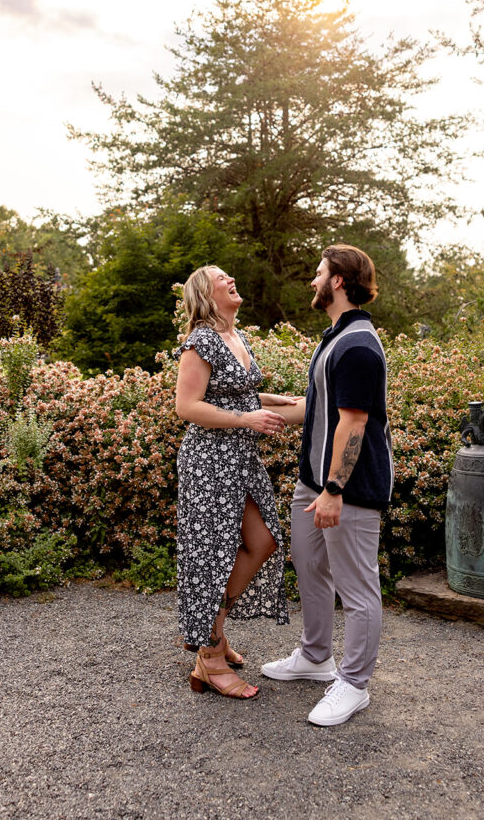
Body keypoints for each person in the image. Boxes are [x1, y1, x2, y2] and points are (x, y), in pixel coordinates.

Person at [261, 244, 394, 726]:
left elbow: (354, 423)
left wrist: (334, 490)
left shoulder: (357, 346)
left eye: (319, 273)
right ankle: (316, 657)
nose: (313, 281)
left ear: (338, 280)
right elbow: (313, 407)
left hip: (348, 489)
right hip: (313, 483)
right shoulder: (336, 338)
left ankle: (354, 684)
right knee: (311, 564)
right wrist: (244, 403)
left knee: (357, 587)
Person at [174, 265, 293, 699]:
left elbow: (229, 391)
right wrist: (246, 418)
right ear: (205, 293)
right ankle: (209, 656)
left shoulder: (235, 336)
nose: (229, 279)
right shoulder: (201, 341)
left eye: (229, 275)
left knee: (264, 542)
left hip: (240, 459)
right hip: (209, 461)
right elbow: (187, 406)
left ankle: (213, 631)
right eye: (219, 277)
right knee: (213, 556)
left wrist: (269, 400)